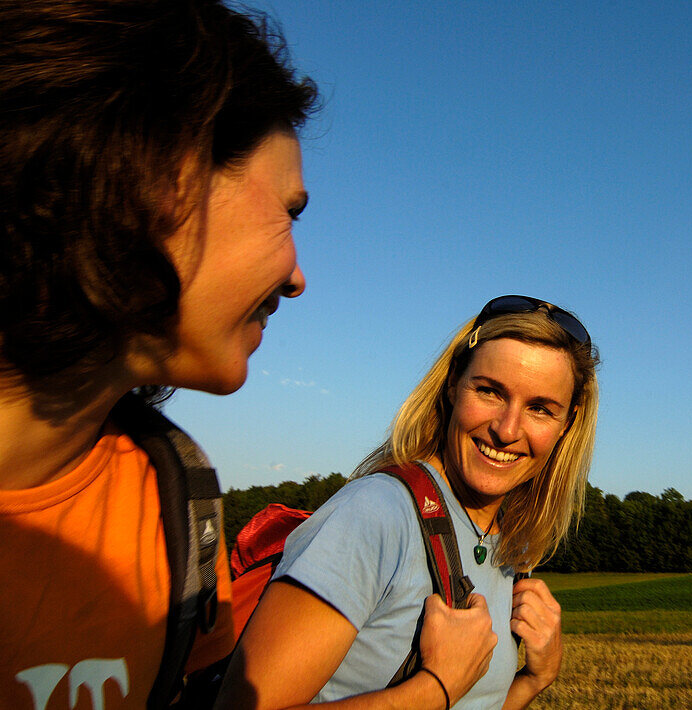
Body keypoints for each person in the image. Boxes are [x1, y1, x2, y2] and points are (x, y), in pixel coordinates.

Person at [0, 2, 494, 708]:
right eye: (288, 213)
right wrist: (438, 687)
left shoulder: (170, 493)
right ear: (154, 178)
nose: (297, 277)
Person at [215, 295, 600, 709]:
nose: (507, 430)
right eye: (489, 391)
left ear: (567, 423)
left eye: (540, 408)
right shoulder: (376, 514)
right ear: (453, 384)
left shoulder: (507, 547)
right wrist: (435, 686)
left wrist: (532, 680)